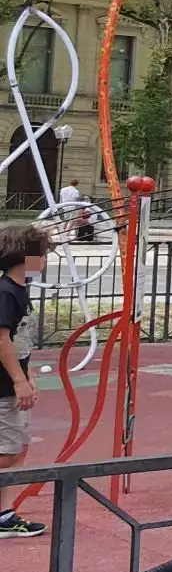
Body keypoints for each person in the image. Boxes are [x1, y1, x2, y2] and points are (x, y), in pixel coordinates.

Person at [0, 225, 51, 539]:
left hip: (13, 381)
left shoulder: (20, 290)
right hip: (4, 386)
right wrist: (19, 381)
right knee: (6, 453)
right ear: (26, 257)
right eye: (41, 254)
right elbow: (1, 340)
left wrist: (27, 376)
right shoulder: (6, 292)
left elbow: (19, 343)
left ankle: (4, 513)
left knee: (16, 450)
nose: (44, 260)